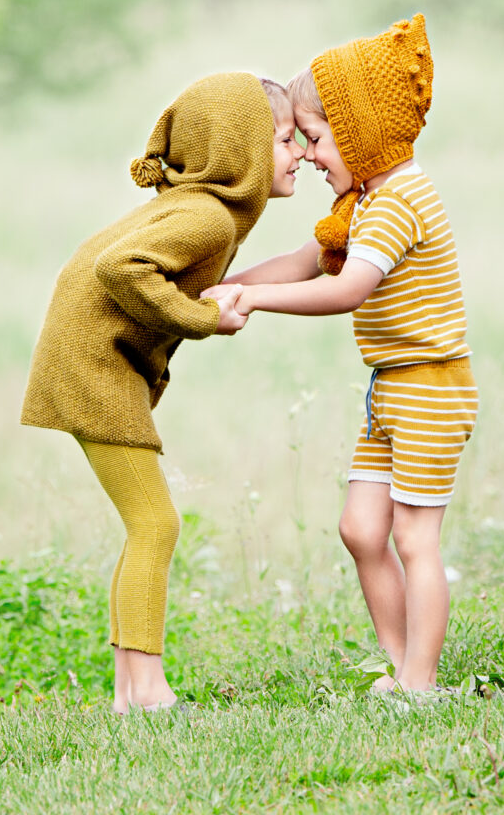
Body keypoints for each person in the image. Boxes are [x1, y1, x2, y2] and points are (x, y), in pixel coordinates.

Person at [203, 17, 478, 693]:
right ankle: (402, 665)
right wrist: (221, 288)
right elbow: (303, 262)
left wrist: (257, 305)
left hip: (429, 387)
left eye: (318, 139)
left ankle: (421, 682)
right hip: (391, 388)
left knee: (414, 539)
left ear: (360, 132)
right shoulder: (364, 202)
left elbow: (349, 288)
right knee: (361, 530)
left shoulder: (398, 202)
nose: (310, 155)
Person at [21, 72, 304, 713]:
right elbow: (118, 268)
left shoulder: (205, 212)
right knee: (155, 523)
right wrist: (206, 320)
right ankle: (146, 692)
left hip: (94, 361)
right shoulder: (205, 216)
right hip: (93, 368)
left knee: (146, 524)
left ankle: (131, 691)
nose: (302, 155)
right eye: (287, 140)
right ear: (244, 152)